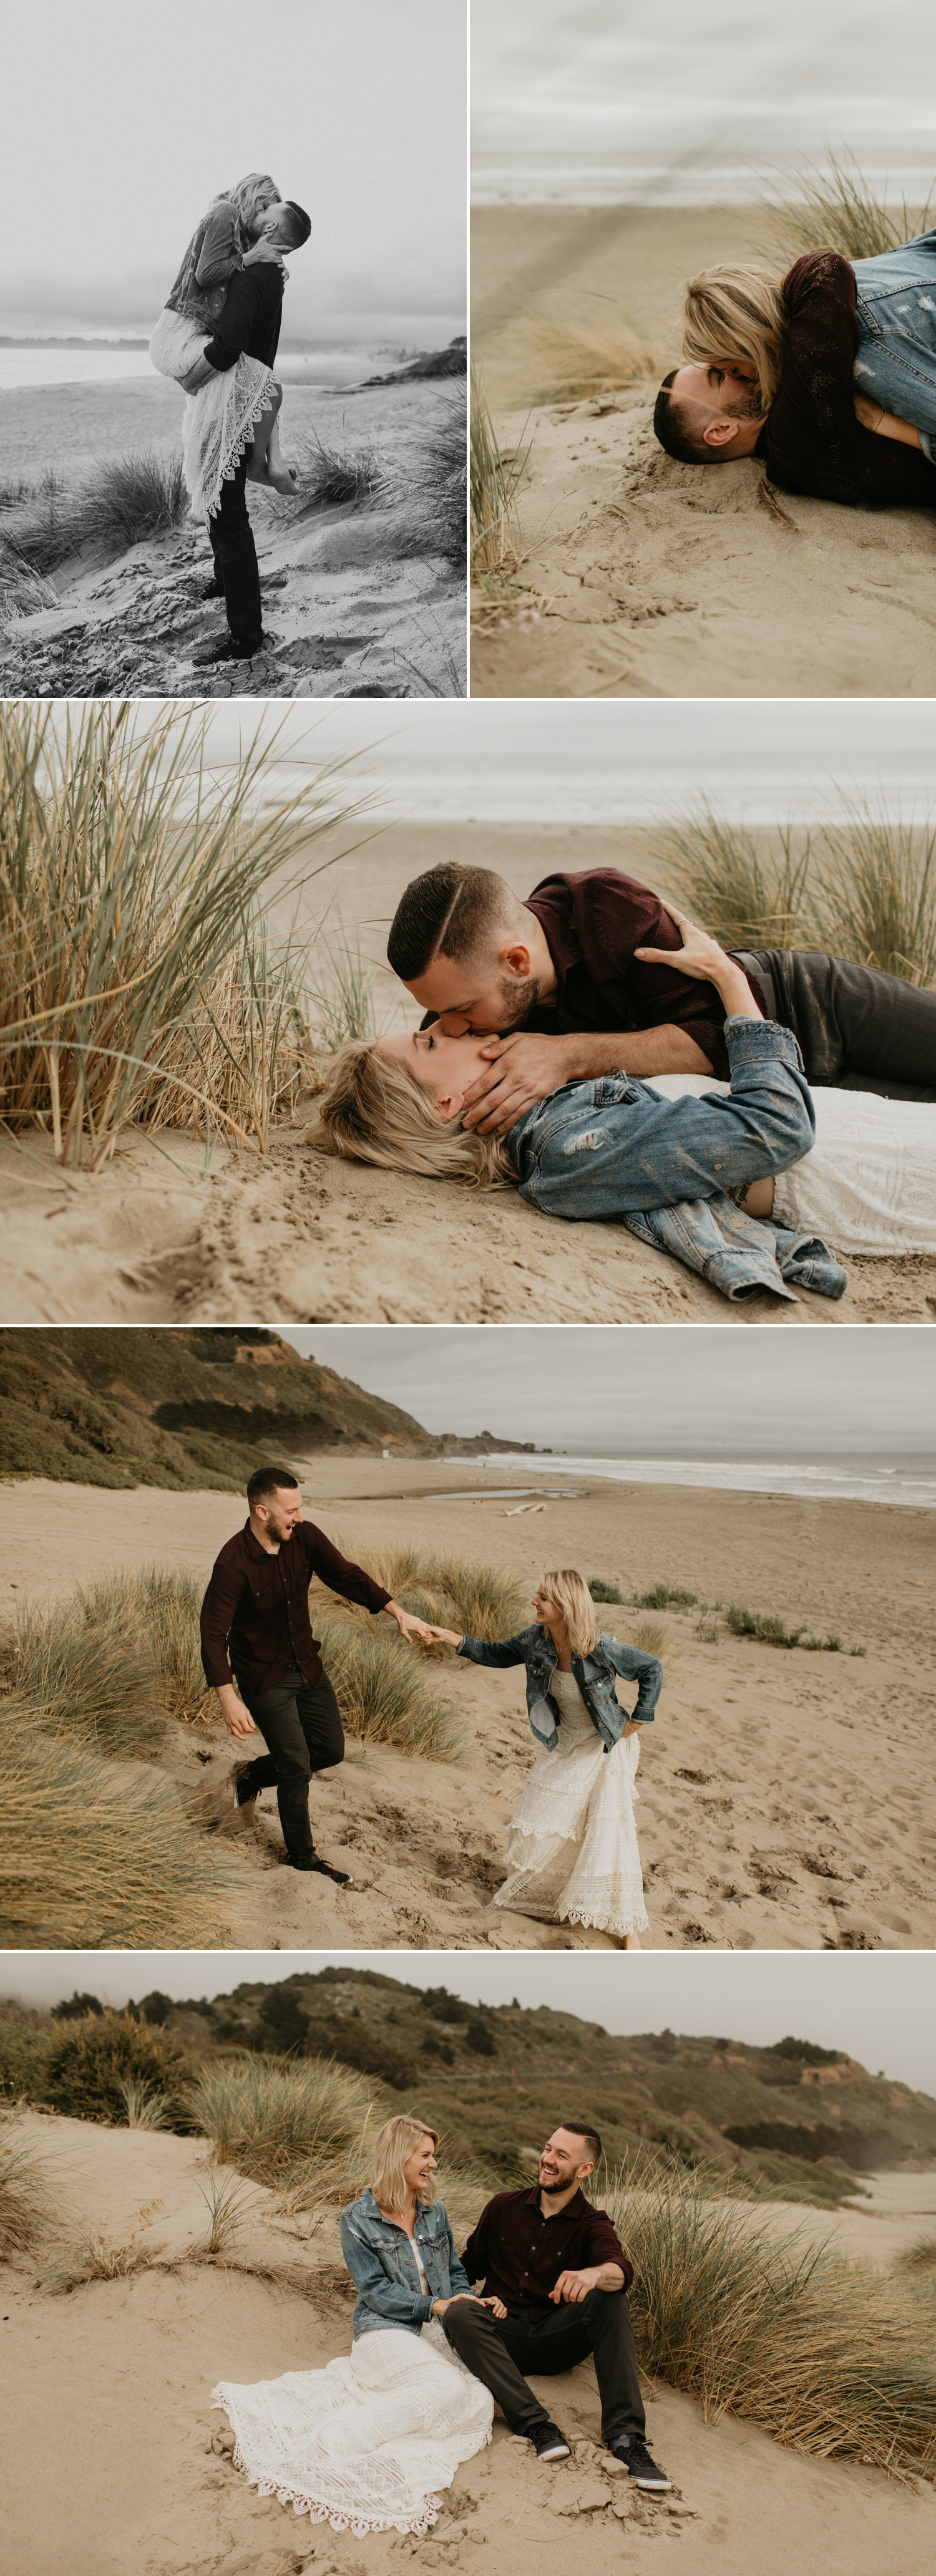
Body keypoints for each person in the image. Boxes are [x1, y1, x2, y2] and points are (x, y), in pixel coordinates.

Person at [314, 913, 936, 1298]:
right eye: (427, 1041)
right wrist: (728, 980)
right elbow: (774, 1127)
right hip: (881, 1167)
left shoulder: (552, 1116)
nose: (444, 1025)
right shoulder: (568, 1146)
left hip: (866, 1133)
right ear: (447, 1104)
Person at [386, 859, 936, 1117]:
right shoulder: (470, 1014)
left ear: (517, 961)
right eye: (433, 1015)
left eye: (457, 1009)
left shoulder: (605, 907)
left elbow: (718, 1036)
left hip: (813, 1004)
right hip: (791, 1091)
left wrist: (568, 1054)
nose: (445, 1029)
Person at [211, 2120, 494, 2537]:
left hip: (433, 2330)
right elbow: (375, 2291)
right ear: (399, 2157)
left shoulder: (436, 2212)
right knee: (449, 2392)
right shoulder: (357, 2218)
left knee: (481, 2400)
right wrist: (434, 2304)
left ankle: (387, 2429)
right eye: (426, 2155)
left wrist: (465, 2301)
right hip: (384, 2331)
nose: (434, 2163)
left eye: (434, 2155)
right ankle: (337, 2441)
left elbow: (453, 2272)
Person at [198, 1466, 434, 1878]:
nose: (300, 1518)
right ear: (261, 1511)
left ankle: (249, 1774)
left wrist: (399, 1612)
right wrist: (228, 1697)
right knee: (296, 1765)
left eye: (301, 1507)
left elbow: (345, 1575)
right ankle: (303, 1860)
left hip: (307, 1666)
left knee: (328, 1752)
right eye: (291, 1510)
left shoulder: (304, 1538)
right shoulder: (233, 1563)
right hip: (263, 1679)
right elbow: (212, 1633)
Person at [429, 1571, 661, 1946]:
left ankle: (628, 1929)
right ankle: (564, 1894)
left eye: (543, 1598)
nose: (534, 1602)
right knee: (544, 1814)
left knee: (606, 1827)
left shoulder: (600, 1648)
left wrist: (637, 1721)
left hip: (603, 1742)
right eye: (537, 1596)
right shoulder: (536, 1641)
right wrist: (447, 1636)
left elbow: (652, 1668)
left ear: (566, 1607)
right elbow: (494, 1653)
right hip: (564, 1740)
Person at [442, 2121, 671, 2491]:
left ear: (585, 2170)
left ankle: (626, 2440)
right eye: (548, 2149)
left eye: (561, 2155)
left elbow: (620, 2270)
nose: (547, 2160)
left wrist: (594, 2275)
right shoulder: (503, 2207)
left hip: (555, 2342)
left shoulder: (592, 2222)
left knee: (610, 2297)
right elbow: (467, 2268)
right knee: (459, 2311)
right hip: (501, 2340)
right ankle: (537, 2425)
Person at [652, 239, 936, 511]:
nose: (735, 372)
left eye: (729, 367)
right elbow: (824, 271)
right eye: (720, 377)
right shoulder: (793, 439)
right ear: (721, 430)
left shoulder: (797, 432)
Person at [181, 198, 312, 666]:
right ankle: (222, 580)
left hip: (233, 396)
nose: (256, 214)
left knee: (229, 511)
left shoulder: (252, 276)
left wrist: (193, 376)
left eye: (265, 211)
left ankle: (246, 637)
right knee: (223, 499)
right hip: (251, 394)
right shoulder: (272, 276)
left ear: (273, 226)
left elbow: (231, 342)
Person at [149, 173, 298, 503]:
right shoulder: (226, 212)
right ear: (251, 194)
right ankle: (264, 465)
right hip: (178, 336)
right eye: (264, 206)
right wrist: (252, 258)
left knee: (263, 385)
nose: (265, 217)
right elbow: (206, 273)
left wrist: (272, 261)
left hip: (195, 334)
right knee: (265, 386)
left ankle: (268, 463)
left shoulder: (241, 232)